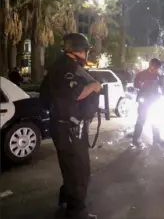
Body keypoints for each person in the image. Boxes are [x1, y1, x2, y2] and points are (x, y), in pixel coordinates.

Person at [40, 33, 101, 219]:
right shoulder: (66, 68)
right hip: (69, 129)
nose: (86, 53)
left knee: (70, 167)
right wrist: (93, 87)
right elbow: (73, 94)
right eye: (85, 50)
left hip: (64, 126)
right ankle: (77, 213)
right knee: (79, 171)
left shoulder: (60, 66)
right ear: (78, 49)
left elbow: (45, 97)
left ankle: (66, 198)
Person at [132, 58, 164, 148]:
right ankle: (135, 139)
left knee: (156, 119)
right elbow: (135, 85)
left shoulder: (159, 76)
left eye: (157, 68)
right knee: (141, 120)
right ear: (151, 65)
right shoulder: (141, 74)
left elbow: (162, 87)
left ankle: (157, 139)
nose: (156, 69)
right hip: (143, 101)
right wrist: (141, 84)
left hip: (154, 100)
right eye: (155, 67)